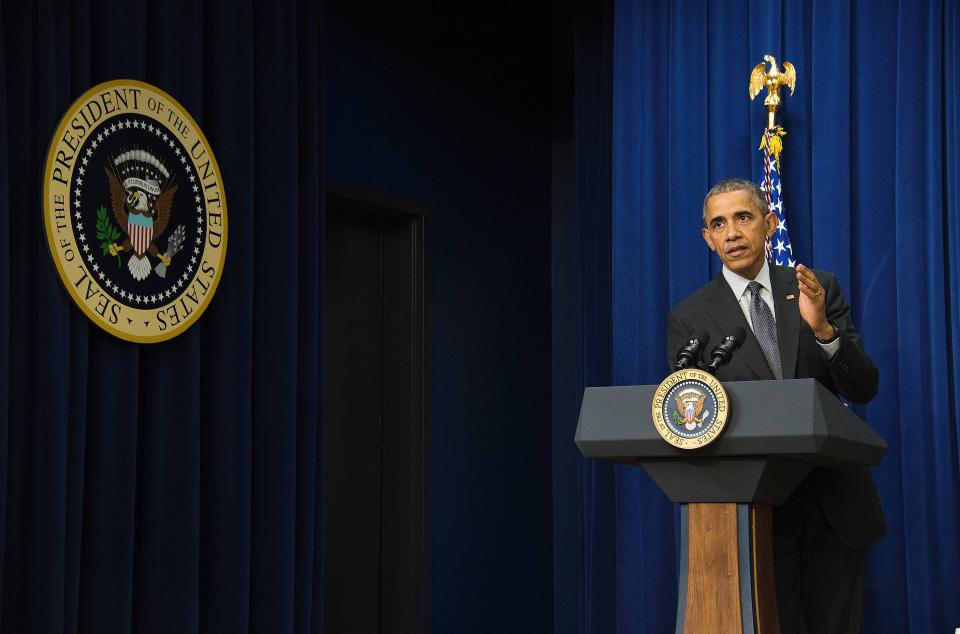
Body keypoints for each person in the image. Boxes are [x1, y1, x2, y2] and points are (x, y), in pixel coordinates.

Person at [666, 178, 885, 633]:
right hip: (754, 515)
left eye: (743, 218)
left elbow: (864, 388)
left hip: (833, 506)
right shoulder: (690, 317)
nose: (731, 233)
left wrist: (824, 330)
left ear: (770, 223)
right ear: (706, 238)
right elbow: (690, 417)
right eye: (718, 224)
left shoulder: (815, 288)